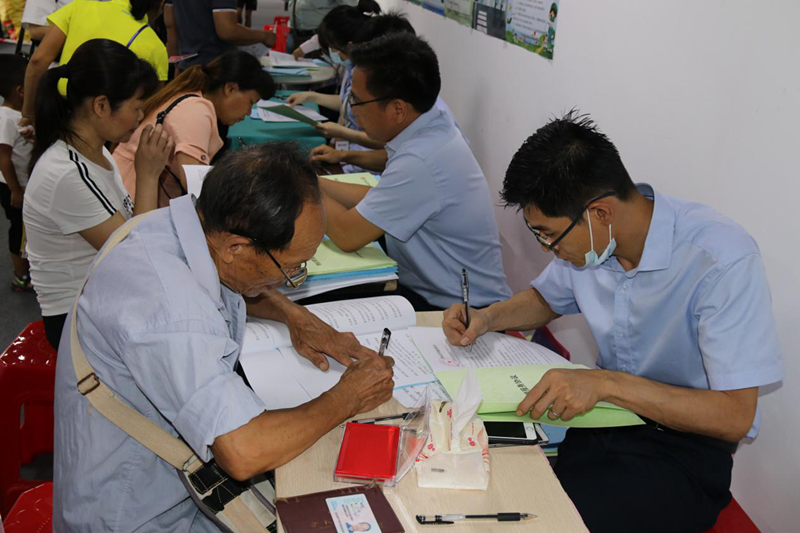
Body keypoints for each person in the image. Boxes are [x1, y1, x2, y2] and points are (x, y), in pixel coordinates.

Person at [441, 111, 784, 533]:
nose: (548, 249)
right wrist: (487, 317)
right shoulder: (593, 243)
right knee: (492, 490)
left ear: (600, 213)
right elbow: (546, 298)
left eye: (549, 235)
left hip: (681, 453)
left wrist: (606, 383)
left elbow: (735, 416)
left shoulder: (720, 261)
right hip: (602, 422)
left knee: (546, 523)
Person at [53, 143, 396, 530]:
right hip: (144, 513)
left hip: (179, 480)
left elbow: (222, 279)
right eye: (291, 269)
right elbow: (244, 451)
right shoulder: (172, 309)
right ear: (236, 246)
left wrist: (296, 316)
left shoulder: (182, 227)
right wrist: (348, 396)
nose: (291, 280)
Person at [320, 33, 511, 311]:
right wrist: (317, 182)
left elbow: (346, 235)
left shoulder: (422, 158)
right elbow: (381, 198)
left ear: (397, 109)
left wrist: (302, 188)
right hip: (435, 293)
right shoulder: (431, 128)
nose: (353, 111)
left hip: (459, 312)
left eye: (357, 101)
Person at [23, 39, 173, 349]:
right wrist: (148, 175)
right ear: (101, 106)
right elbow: (135, 258)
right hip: (76, 319)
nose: (140, 117)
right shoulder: (67, 172)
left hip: (104, 299)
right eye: (136, 107)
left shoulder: (96, 152)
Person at [306, 11, 467, 173]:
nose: (354, 111)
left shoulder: (423, 145)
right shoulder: (413, 105)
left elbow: (391, 160)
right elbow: (390, 155)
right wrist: (343, 154)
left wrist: (343, 143)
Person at [113, 50, 275, 203]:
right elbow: (195, 187)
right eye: (250, 102)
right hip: (131, 203)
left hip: (129, 195)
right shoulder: (197, 110)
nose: (248, 112)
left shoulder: (192, 97)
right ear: (230, 88)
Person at [19, 0, 169, 135]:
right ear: (161, 3)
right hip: (107, 128)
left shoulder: (80, 6)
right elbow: (150, 108)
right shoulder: (156, 47)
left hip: (58, 107)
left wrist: (29, 113)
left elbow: (38, 61)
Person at [164, 0, 276, 70]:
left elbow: (170, 24)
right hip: (215, 69)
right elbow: (227, 31)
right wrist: (264, 36)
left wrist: (177, 64)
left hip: (187, 67)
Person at [0, 54, 33, 292]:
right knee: (19, 231)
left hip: (22, 184)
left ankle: (26, 269)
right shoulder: (6, 119)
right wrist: (15, 190)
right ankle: (20, 276)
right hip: (13, 187)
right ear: (21, 91)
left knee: (25, 230)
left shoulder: (19, 115)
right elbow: (3, 156)